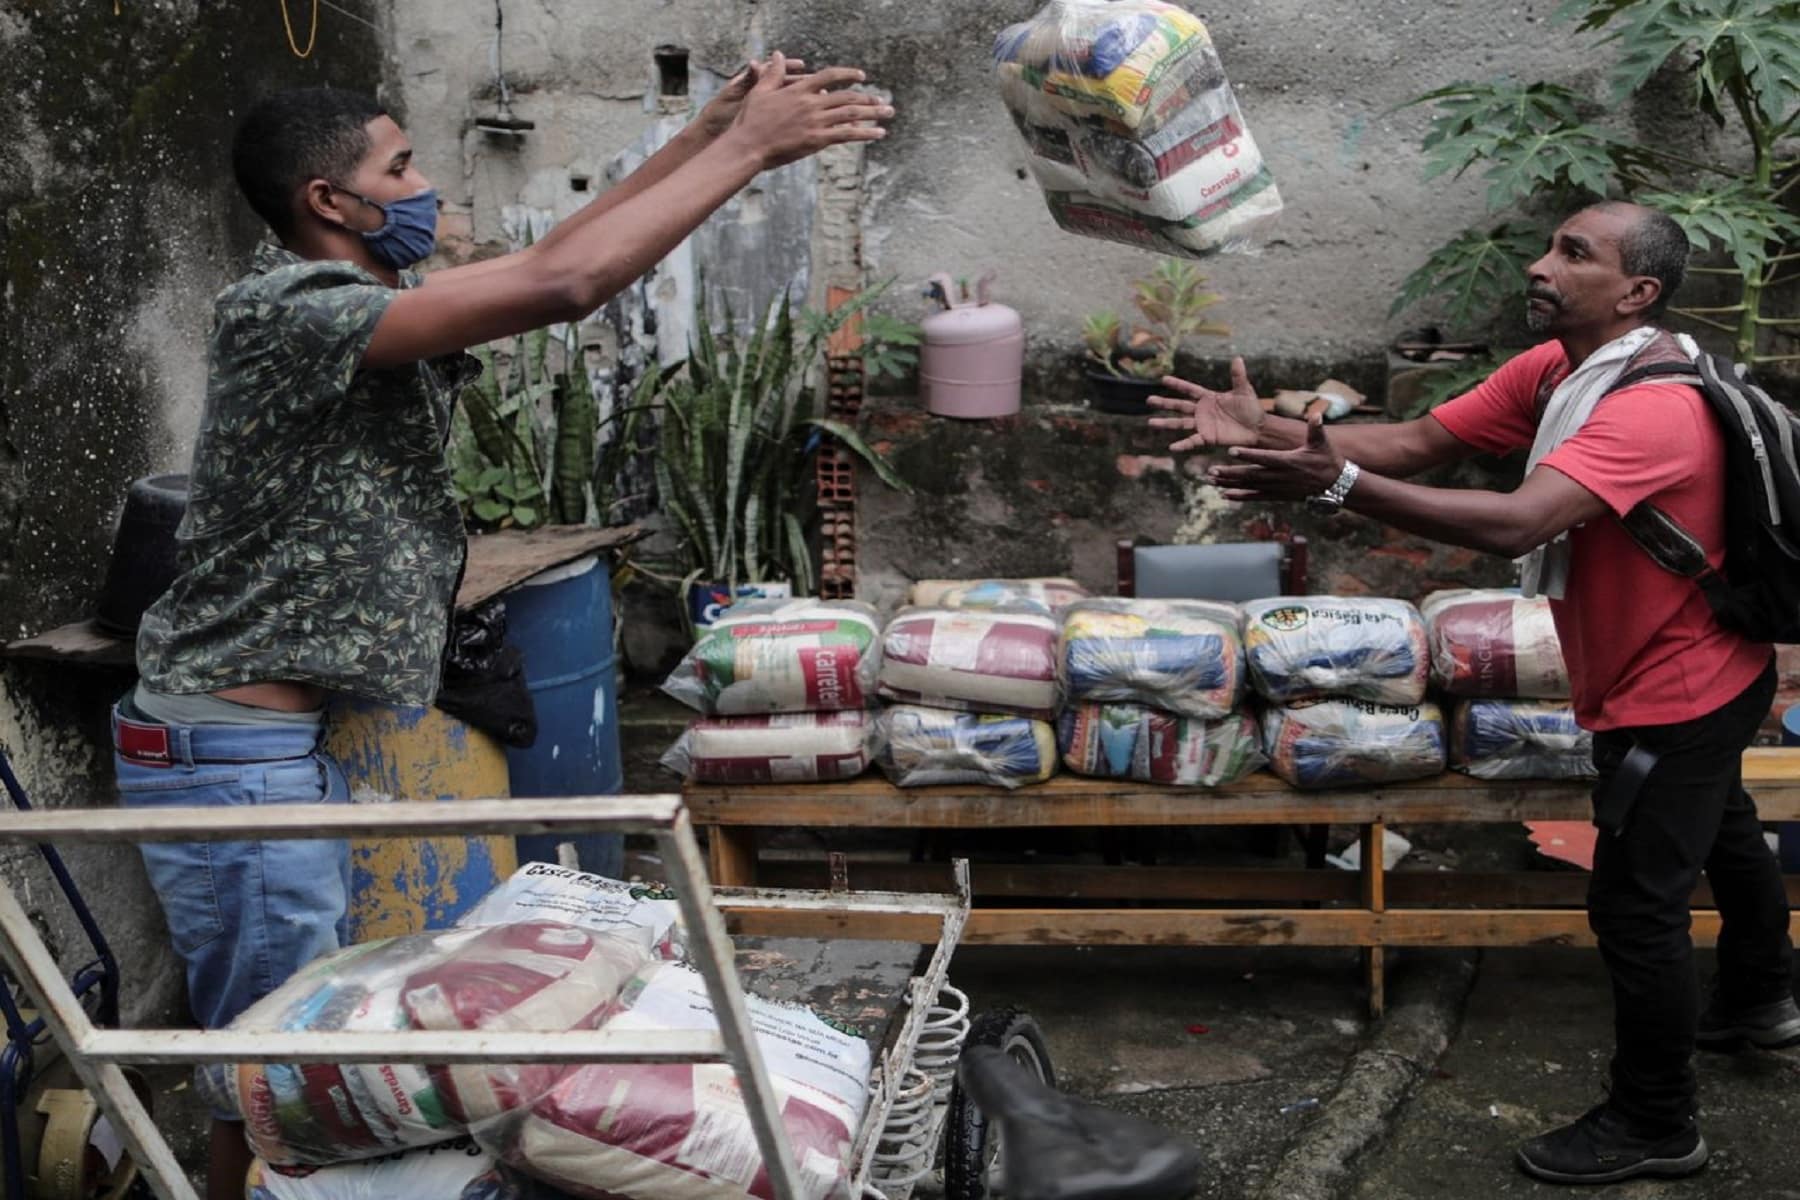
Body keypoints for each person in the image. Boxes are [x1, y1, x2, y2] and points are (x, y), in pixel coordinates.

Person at [110, 61, 890, 1198]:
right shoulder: (289, 309)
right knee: (277, 1059)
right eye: (401, 166)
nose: (425, 185)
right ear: (331, 202)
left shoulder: (361, 301)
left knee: (282, 1044)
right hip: (229, 754)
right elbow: (566, 286)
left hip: (262, 745)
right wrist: (753, 151)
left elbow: (550, 256)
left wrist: (707, 133)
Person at [1150, 201, 1797, 1185]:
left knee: (1637, 907)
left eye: (1572, 254)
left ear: (1637, 293)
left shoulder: (1652, 408)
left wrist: (1329, 488)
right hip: (1677, 668)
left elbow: (1514, 523)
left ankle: (1657, 1120)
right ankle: (1761, 1000)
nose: (1540, 266)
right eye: (1550, 246)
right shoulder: (1560, 369)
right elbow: (1413, 442)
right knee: (1724, 832)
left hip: (1679, 684)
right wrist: (1275, 428)